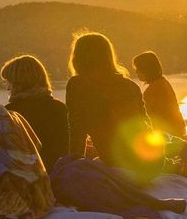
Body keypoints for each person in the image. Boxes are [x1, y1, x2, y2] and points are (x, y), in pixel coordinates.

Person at [65, 32, 161, 180]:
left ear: (78, 58)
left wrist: (74, 170)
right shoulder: (130, 85)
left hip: (120, 164)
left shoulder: (77, 85)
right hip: (151, 161)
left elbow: (77, 131)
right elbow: (146, 125)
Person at [0, 54, 68, 168]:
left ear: (18, 83)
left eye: (9, 83)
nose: (8, 88)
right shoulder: (61, 109)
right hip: (60, 177)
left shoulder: (9, 114)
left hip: (25, 180)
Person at [132, 50, 187, 138]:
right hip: (178, 131)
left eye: (138, 69)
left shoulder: (154, 89)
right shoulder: (163, 82)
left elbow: (145, 116)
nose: (136, 72)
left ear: (146, 69)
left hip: (168, 136)